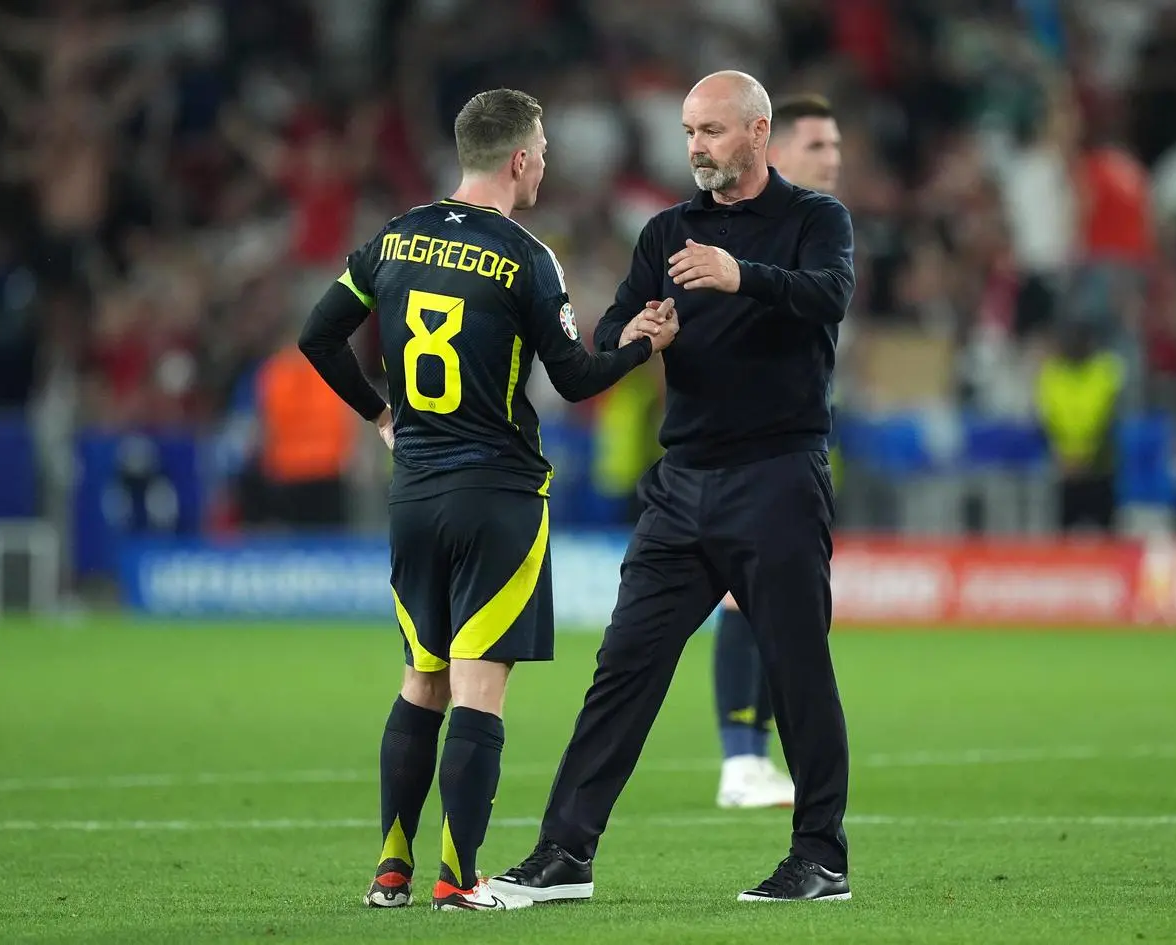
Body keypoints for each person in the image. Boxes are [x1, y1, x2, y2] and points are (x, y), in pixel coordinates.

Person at [297, 87, 678, 913]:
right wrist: (641, 343)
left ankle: (390, 871)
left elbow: (316, 336)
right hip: (497, 493)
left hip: (416, 496)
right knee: (478, 689)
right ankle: (458, 877)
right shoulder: (525, 258)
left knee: (419, 681)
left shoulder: (393, 239)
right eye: (541, 147)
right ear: (518, 158)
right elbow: (576, 380)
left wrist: (379, 415)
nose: (545, 160)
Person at [488, 71, 855, 905]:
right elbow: (614, 323)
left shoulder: (813, 219)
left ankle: (820, 857)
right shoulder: (665, 231)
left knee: (797, 672)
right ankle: (565, 852)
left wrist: (741, 274)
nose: (695, 146)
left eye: (712, 131)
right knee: (624, 665)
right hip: (682, 484)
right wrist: (638, 334)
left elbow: (831, 295)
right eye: (689, 131)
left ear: (759, 133)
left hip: (777, 479)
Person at [712, 93, 842, 809]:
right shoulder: (740, 231)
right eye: (820, 146)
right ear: (776, 149)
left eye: (836, 146)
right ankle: (741, 759)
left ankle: (752, 758)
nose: (835, 159)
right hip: (736, 451)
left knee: (783, 606)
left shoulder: (819, 229)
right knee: (744, 597)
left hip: (795, 447)